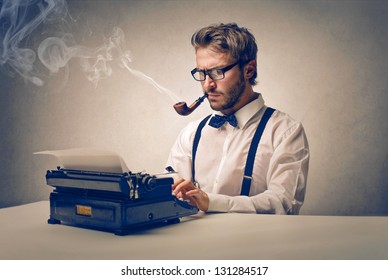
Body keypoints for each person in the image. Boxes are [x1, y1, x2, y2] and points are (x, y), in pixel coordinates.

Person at [166, 23, 309, 214]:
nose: (208, 85)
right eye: (202, 73)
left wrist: (212, 202)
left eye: (217, 72)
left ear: (249, 69)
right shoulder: (190, 134)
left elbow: (283, 203)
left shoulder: (285, 132)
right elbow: (171, 198)